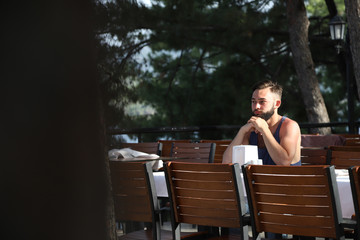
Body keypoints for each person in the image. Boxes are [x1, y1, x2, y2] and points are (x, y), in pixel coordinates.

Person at [223, 80, 301, 166]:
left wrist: (264, 130)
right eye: (253, 101)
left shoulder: (289, 126)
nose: (256, 106)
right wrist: (242, 131)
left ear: (277, 104)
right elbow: (227, 162)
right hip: (258, 179)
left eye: (262, 102)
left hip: (287, 179)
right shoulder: (250, 130)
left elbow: (284, 163)